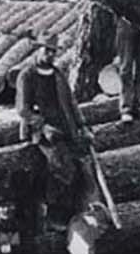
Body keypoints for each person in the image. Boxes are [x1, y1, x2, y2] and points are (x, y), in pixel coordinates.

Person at [16, 33, 91, 224]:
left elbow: (71, 103)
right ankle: (55, 217)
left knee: (81, 164)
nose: (50, 55)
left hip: (65, 126)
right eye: (46, 50)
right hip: (40, 132)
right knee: (61, 166)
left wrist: (82, 126)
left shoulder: (58, 74)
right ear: (38, 49)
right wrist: (43, 126)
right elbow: (23, 109)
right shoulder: (27, 75)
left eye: (53, 52)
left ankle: (76, 212)